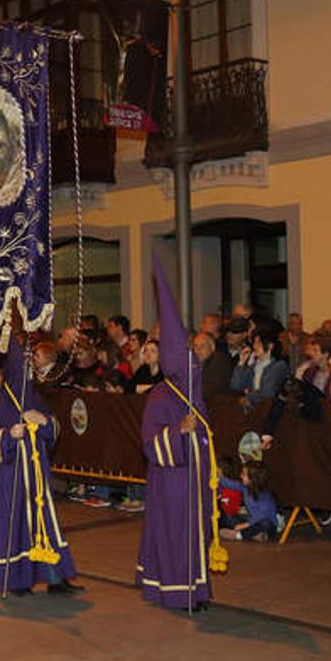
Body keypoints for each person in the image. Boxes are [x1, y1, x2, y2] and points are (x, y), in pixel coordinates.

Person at [137, 252, 226, 611]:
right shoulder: (160, 396)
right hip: (173, 482)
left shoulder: (194, 394)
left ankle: (197, 589)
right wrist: (178, 431)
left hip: (196, 480)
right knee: (176, 534)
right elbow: (148, 444)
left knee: (196, 534)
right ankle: (177, 591)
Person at [0, 339, 81, 597]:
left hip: (37, 477)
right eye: (23, 367)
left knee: (45, 523)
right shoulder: (0, 402)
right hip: (10, 478)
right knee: (17, 527)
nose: (29, 373)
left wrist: (43, 421)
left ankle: (55, 578)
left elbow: (55, 431)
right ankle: (17, 581)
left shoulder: (35, 398)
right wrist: (9, 435)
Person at [216, 455, 279, 542]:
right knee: (231, 518)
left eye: (244, 474)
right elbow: (231, 484)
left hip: (265, 525)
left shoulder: (265, 497)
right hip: (251, 521)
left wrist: (245, 525)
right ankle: (255, 536)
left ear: (254, 479)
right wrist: (218, 478)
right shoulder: (245, 488)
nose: (240, 475)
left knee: (265, 524)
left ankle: (239, 535)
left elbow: (260, 516)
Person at [229, 327, 289, 408]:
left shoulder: (279, 366)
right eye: (254, 342)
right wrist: (241, 362)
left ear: (270, 346)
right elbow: (236, 386)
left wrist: (248, 397)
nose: (255, 346)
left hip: (271, 409)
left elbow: (268, 391)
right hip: (254, 409)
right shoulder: (253, 366)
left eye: (259, 342)